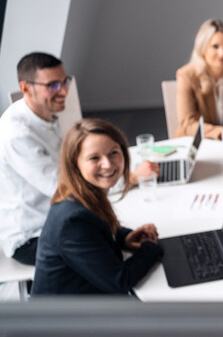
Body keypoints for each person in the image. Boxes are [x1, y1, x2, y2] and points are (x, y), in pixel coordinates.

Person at [0, 52, 155, 265]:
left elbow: (73, 168)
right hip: (33, 236)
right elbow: (65, 189)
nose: (63, 91)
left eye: (65, 82)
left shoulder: (44, 112)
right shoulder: (17, 134)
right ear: (26, 88)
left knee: (133, 231)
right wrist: (124, 178)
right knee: (124, 258)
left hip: (66, 217)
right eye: (53, 85)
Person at [31, 119, 163, 295]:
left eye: (114, 153)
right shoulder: (73, 220)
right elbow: (120, 280)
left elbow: (96, 228)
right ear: (75, 164)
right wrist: (152, 248)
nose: (108, 164)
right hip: (66, 319)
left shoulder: (84, 194)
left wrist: (124, 237)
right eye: (94, 158)